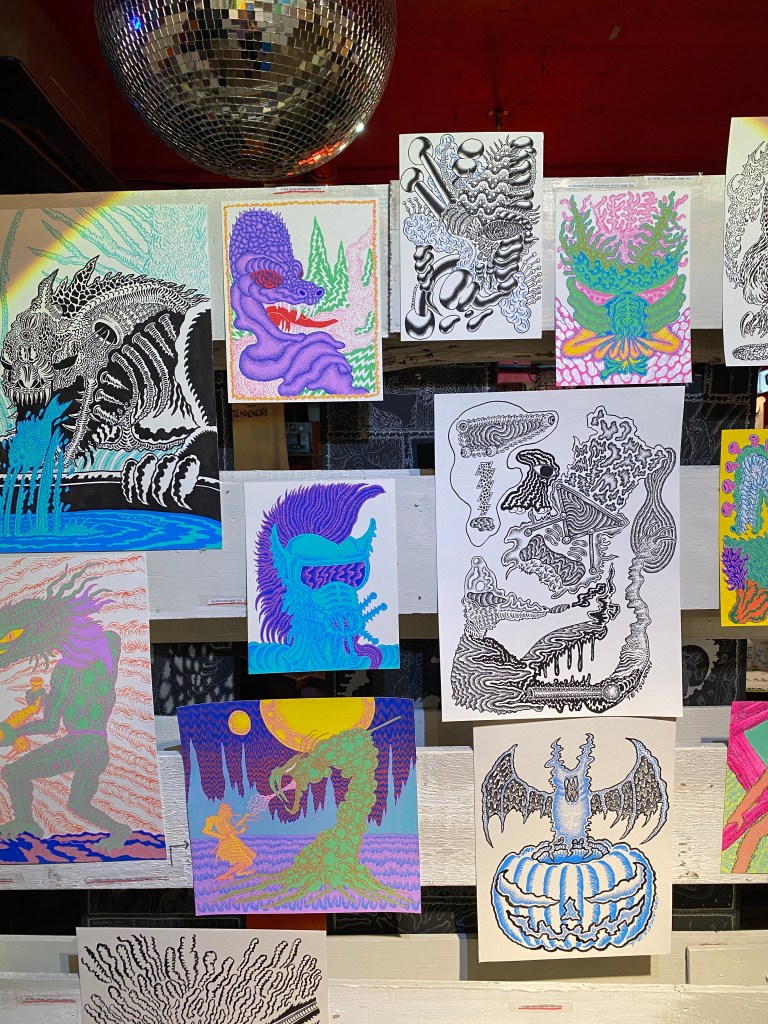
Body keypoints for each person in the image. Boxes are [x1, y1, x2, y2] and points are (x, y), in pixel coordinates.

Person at [202, 802, 256, 881]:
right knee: (244, 859)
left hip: (235, 841)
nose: (229, 815)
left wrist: (241, 830)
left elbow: (233, 832)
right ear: (221, 811)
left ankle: (238, 872)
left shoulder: (226, 822)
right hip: (227, 843)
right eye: (227, 812)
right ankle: (224, 875)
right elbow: (206, 830)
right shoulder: (212, 819)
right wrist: (220, 836)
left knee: (250, 856)